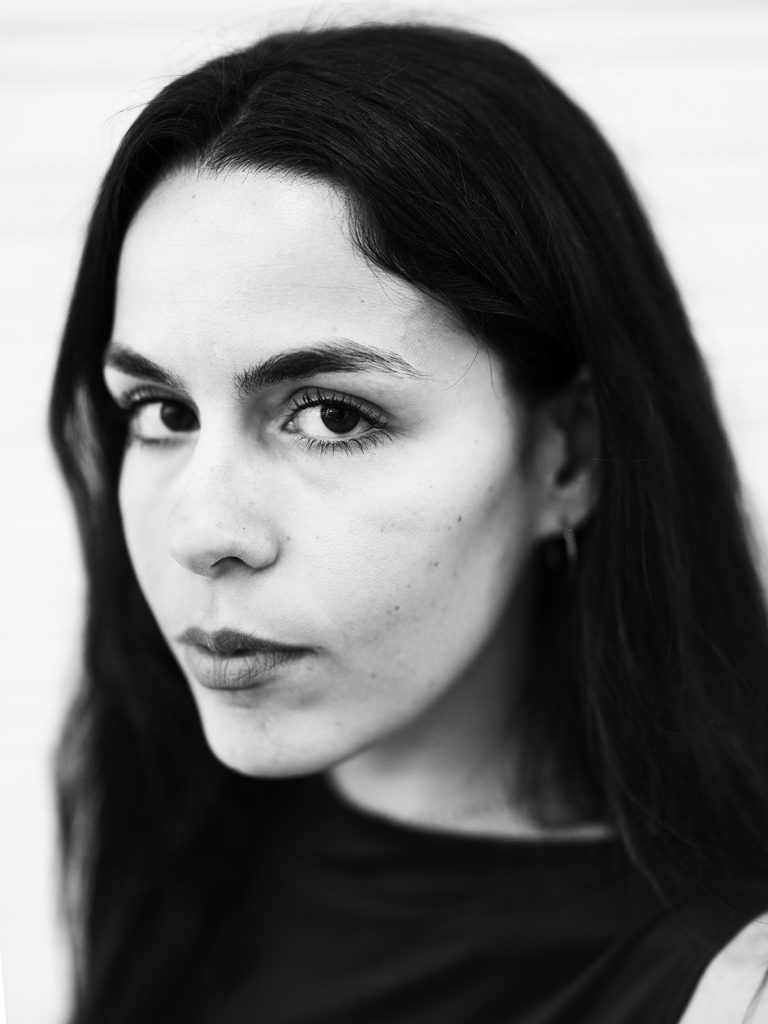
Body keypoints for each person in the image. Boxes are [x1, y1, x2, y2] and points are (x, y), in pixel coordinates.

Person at [48, 20, 768, 1024]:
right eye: (163, 413)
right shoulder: (175, 838)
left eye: (332, 417)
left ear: (569, 455)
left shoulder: (726, 991)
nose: (202, 532)